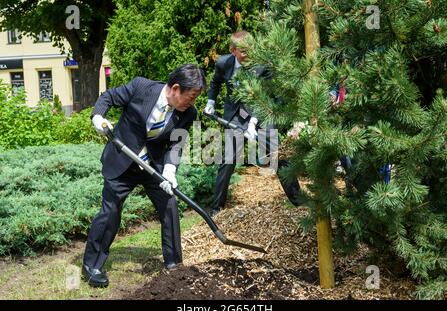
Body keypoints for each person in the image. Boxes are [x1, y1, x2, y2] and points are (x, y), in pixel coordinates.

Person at [82, 64, 207, 288]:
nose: (193, 102)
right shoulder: (141, 87)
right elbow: (108, 97)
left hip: (153, 166)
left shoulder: (188, 113)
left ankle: (174, 265)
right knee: (111, 210)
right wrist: (98, 117)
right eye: (191, 96)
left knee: (169, 206)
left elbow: (176, 145)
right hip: (122, 159)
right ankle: (93, 265)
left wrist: (169, 170)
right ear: (176, 88)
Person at [204, 31, 302, 216]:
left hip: (261, 113)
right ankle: (217, 208)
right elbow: (215, 83)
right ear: (233, 51)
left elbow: (265, 97)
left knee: (276, 155)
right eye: (244, 51)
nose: (249, 53)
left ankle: (299, 202)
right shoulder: (223, 63)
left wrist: (253, 123)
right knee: (228, 159)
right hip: (236, 114)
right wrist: (210, 102)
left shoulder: (262, 66)